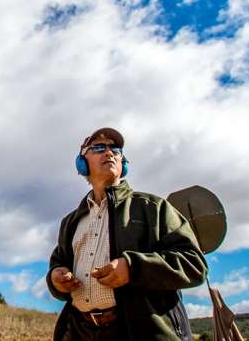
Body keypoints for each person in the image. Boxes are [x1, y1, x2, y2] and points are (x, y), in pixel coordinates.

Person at [47, 127, 207, 340]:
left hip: (137, 331)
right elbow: (58, 263)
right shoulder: (71, 222)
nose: (109, 152)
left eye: (115, 149)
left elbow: (194, 264)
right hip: (80, 330)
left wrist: (132, 268)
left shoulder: (153, 208)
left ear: (123, 164)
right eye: (98, 147)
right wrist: (56, 279)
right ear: (81, 163)